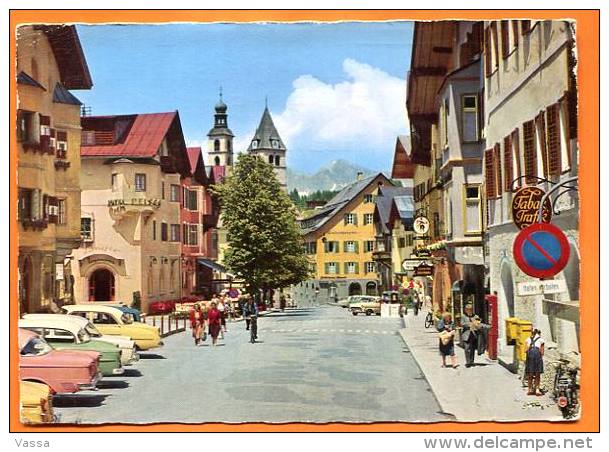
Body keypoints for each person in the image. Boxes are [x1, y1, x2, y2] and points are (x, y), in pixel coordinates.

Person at [525, 328, 545, 396]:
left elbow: (526, 350)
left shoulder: (527, 339)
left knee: (530, 374)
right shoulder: (541, 340)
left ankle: (529, 389)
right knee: (537, 374)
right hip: (537, 357)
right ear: (539, 333)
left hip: (530, 358)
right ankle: (537, 390)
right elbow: (542, 352)